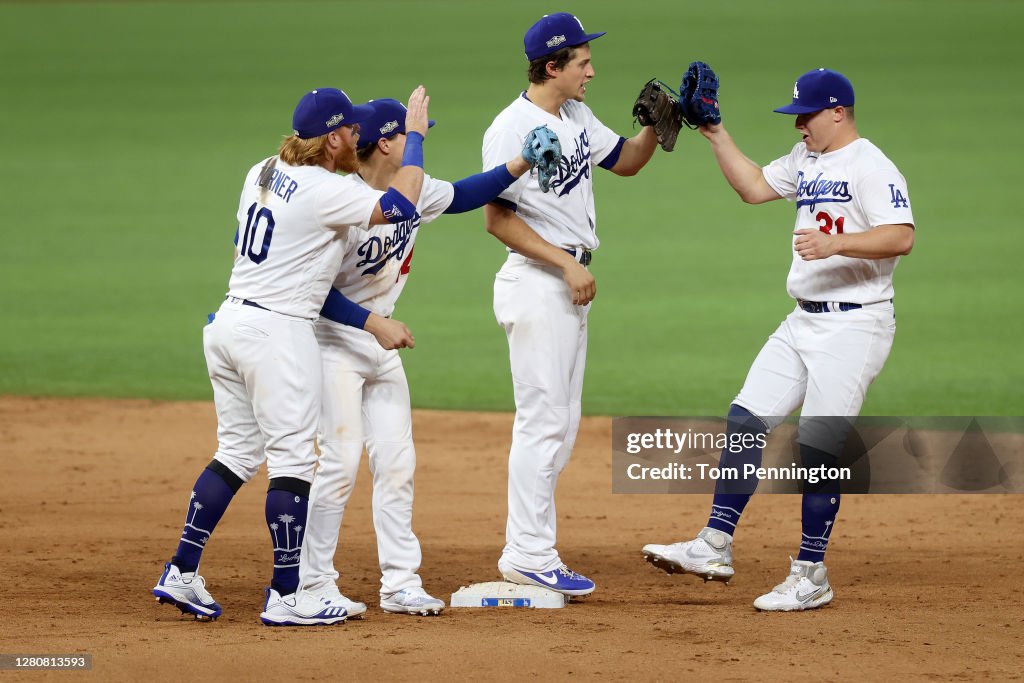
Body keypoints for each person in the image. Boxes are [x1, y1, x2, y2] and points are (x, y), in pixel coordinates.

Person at [152, 85, 431, 625]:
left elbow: (242, 239)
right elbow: (398, 205)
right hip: (278, 335)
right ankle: (287, 594)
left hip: (231, 319)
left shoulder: (262, 168)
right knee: (294, 462)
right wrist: (414, 135)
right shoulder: (325, 189)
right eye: (351, 130)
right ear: (331, 140)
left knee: (235, 453)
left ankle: (182, 571)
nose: (358, 137)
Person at [642, 67, 915, 611]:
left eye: (807, 116)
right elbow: (751, 186)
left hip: (855, 325)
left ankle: (811, 573)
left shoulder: (872, 166)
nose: (799, 127)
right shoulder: (807, 161)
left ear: (838, 112)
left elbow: (902, 236)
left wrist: (837, 244)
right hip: (802, 321)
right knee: (746, 418)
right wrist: (713, 132)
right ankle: (714, 545)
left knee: (817, 450)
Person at [295, 99, 562, 617]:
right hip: (333, 345)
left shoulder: (412, 192)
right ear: (389, 143)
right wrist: (373, 323)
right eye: (414, 135)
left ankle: (399, 582)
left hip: (381, 346)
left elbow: (464, 195)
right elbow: (316, 291)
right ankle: (312, 583)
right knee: (340, 465)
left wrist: (521, 162)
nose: (422, 141)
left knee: (397, 465)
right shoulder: (341, 201)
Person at [482, 12, 661, 597]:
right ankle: (529, 552)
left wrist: (661, 124)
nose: (592, 69)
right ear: (552, 66)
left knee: (563, 425)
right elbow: (497, 218)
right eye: (582, 61)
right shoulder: (510, 128)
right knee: (543, 421)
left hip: (567, 279)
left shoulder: (576, 114)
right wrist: (563, 264)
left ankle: (529, 545)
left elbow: (628, 161)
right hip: (539, 280)